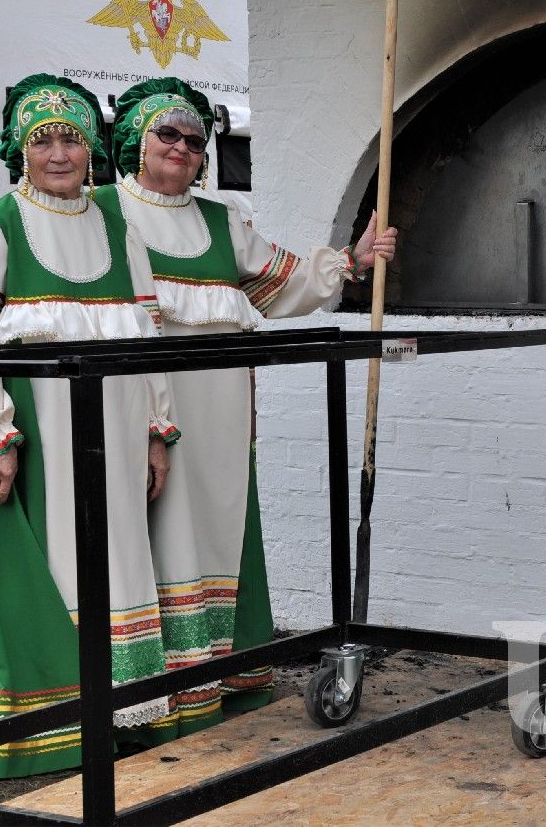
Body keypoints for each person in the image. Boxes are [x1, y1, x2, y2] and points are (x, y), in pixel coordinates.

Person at [96, 78, 395, 739]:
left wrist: (352, 259)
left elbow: (281, 282)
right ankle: (138, 697)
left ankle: (206, 680)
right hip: (134, 410)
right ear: (136, 142)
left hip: (221, 410)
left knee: (208, 527)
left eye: (194, 139)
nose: (181, 147)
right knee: (142, 533)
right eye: (166, 134)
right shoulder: (102, 212)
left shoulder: (222, 221)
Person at [0, 74, 180, 777]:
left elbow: (150, 335)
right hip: (37, 440)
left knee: (117, 555)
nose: (59, 153)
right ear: (20, 151)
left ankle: (117, 709)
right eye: (43, 141)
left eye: (71, 138)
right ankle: (56, 717)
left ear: (91, 148)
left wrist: (157, 428)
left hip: (118, 432)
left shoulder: (119, 225)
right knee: (52, 561)